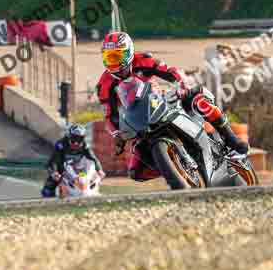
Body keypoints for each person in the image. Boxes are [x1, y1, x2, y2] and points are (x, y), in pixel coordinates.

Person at [97, 31, 249, 181]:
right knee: (136, 172)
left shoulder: (143, 60)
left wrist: (181, 85)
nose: (112, 62)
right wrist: (117, 134)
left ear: (128, 52)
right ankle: (174, 167)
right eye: (108, 58)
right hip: (139, 120)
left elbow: (171, 71)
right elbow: (110, 115)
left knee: (198, 98)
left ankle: (230, 138)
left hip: (161, 101)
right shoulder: (104, 84)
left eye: (116, 56)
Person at [41, 124, 105, 198]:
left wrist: (99, 169)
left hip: (78, 170)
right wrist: (54, 172)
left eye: (79, 139)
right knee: (47, 192)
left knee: (91, 176)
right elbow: (53, 161)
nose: (76, 143)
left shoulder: (84, 145)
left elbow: (93, 158)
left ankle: (90, 191)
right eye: (74, 138)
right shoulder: (61, 144)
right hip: (61, 170)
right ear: (69, 137)